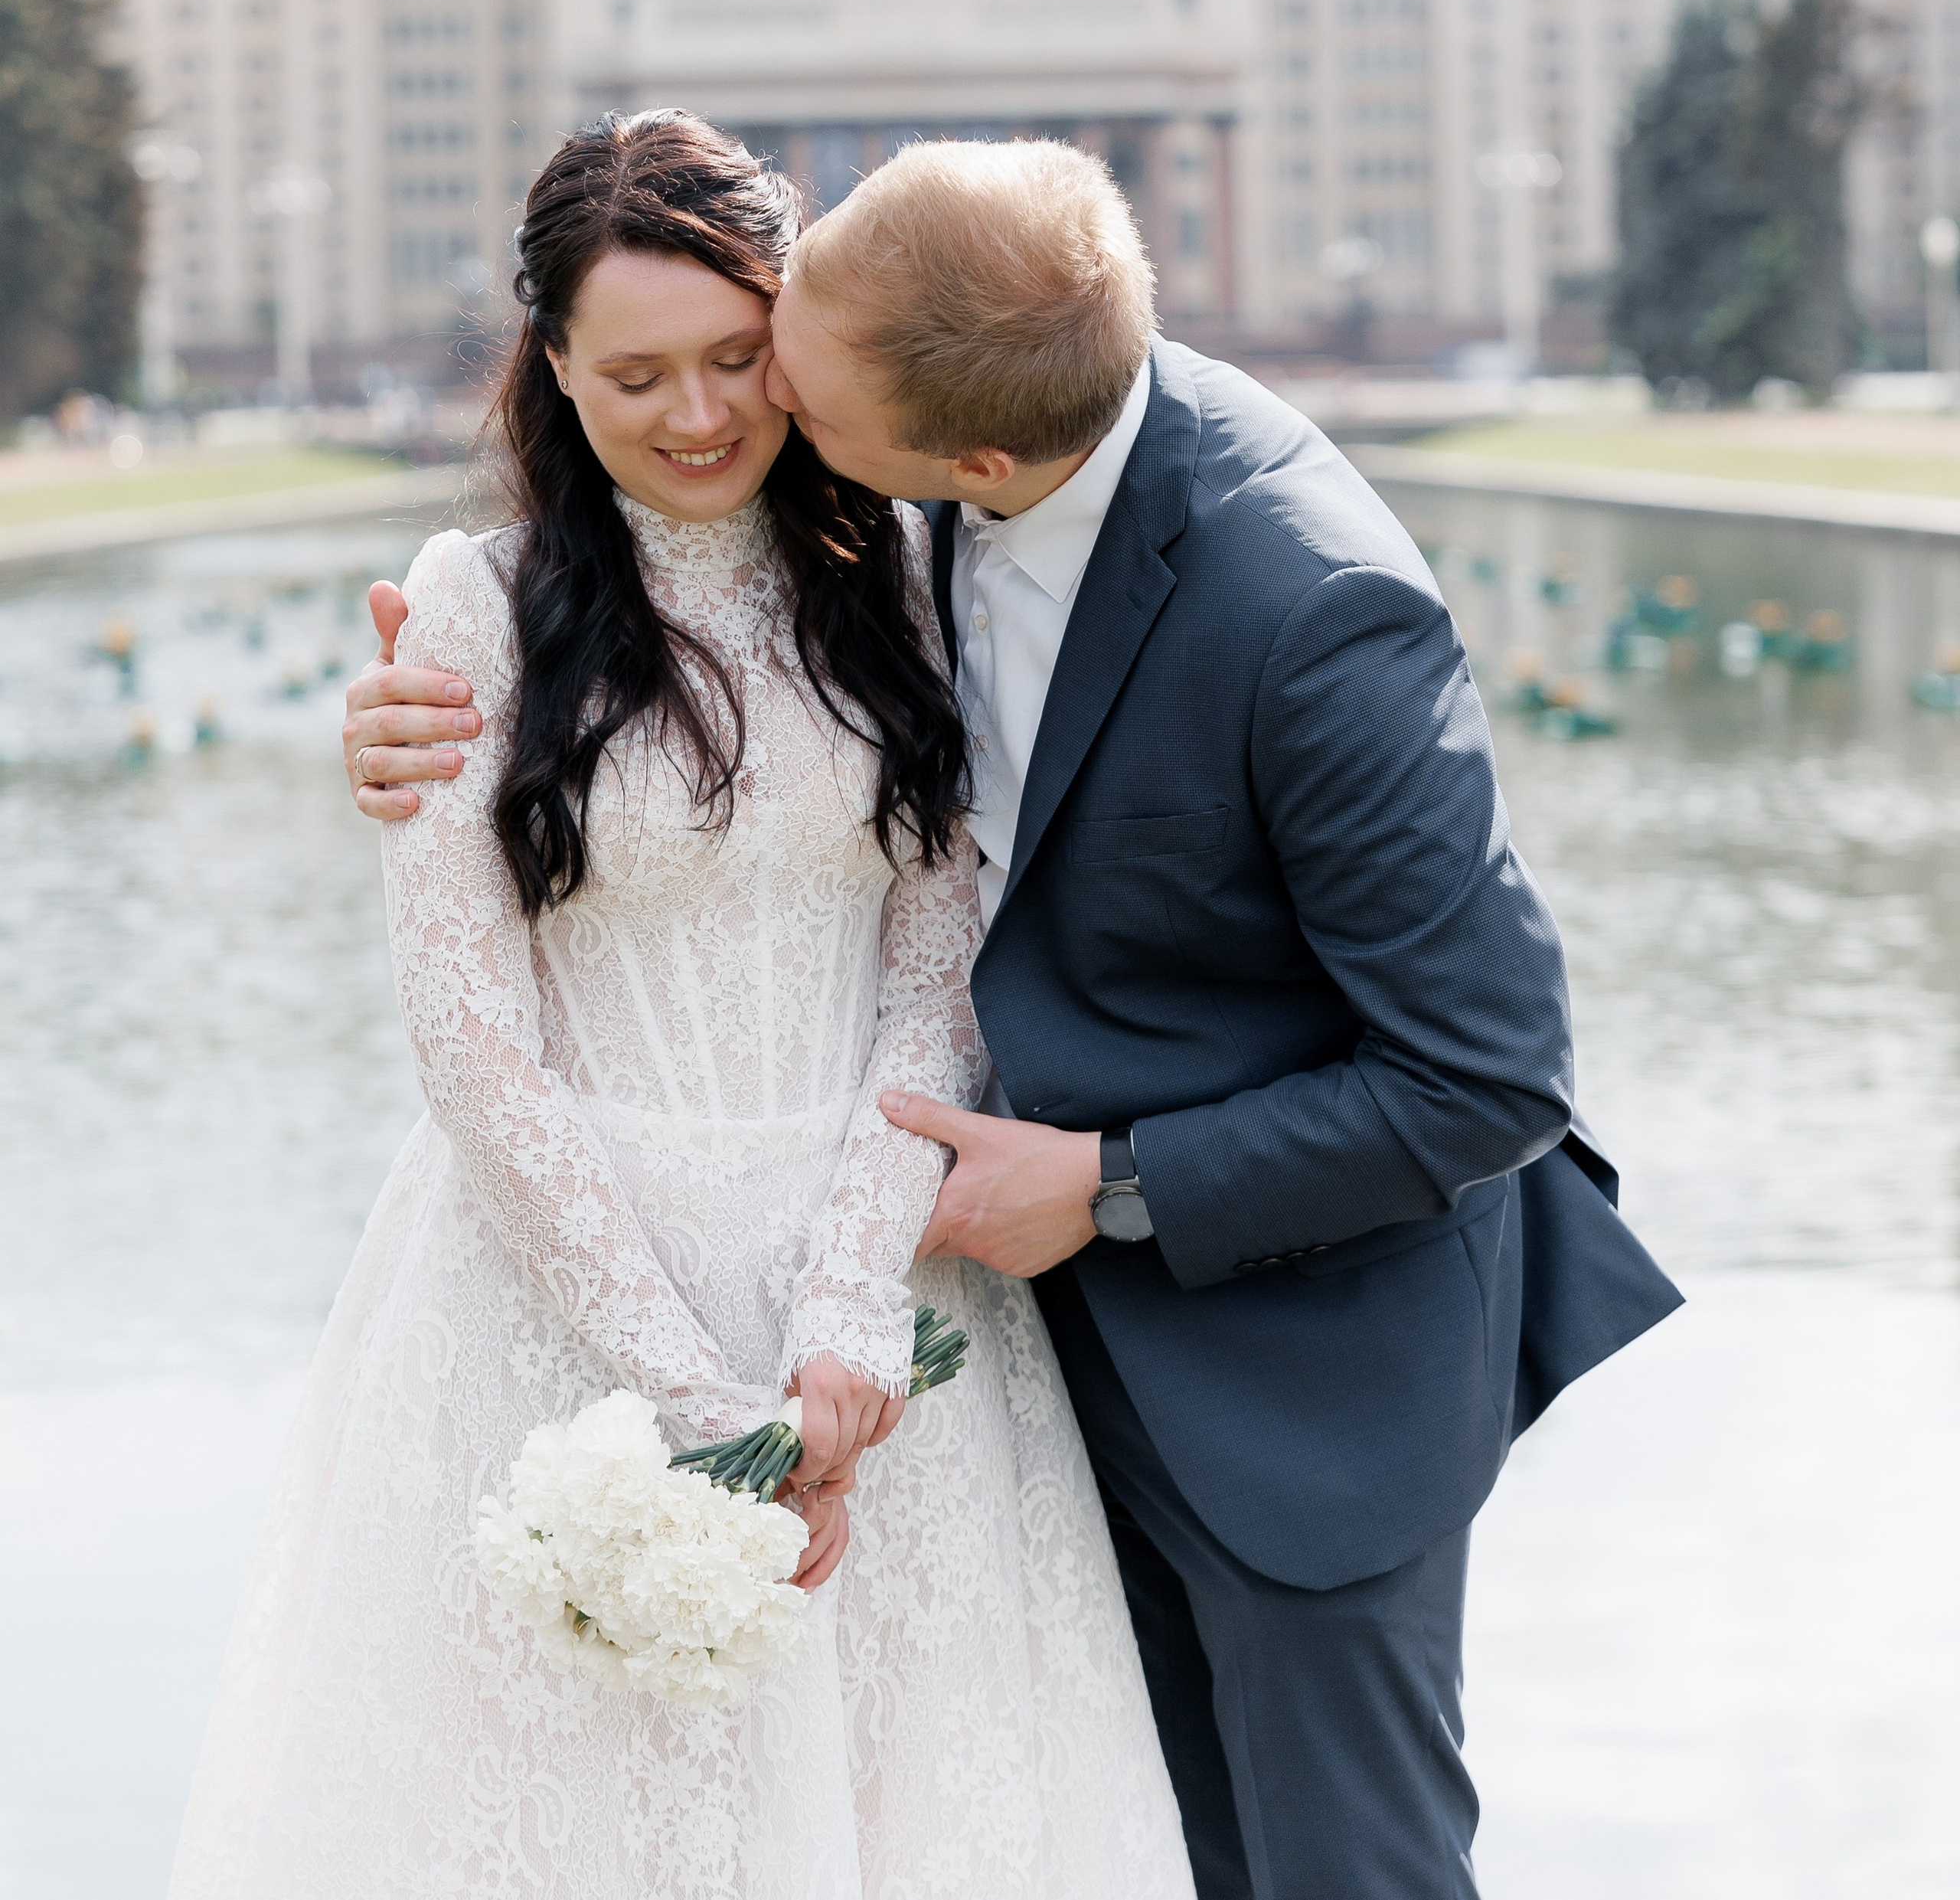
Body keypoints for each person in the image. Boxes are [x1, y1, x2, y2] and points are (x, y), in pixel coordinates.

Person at [345, 130, 1684, 1900]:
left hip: (1287, 1359)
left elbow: (1485, 1072)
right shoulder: (930, 479)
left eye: (775, 372)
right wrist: (422, 736)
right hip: (1003, 1357)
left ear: (960, 458)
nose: (744, 414)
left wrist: (1109, 1186)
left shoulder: (1306, 602)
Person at [173, 113, 1197, 1900]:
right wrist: (685, 1390)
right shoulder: (472, 610)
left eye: (734, 356)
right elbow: (470, 1042)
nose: (698, 413)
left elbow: (933, 976)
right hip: (558, 1299)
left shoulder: (910, 578)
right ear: (554, 363)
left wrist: (842, 1314)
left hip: (872, 1288)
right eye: (635, 373)